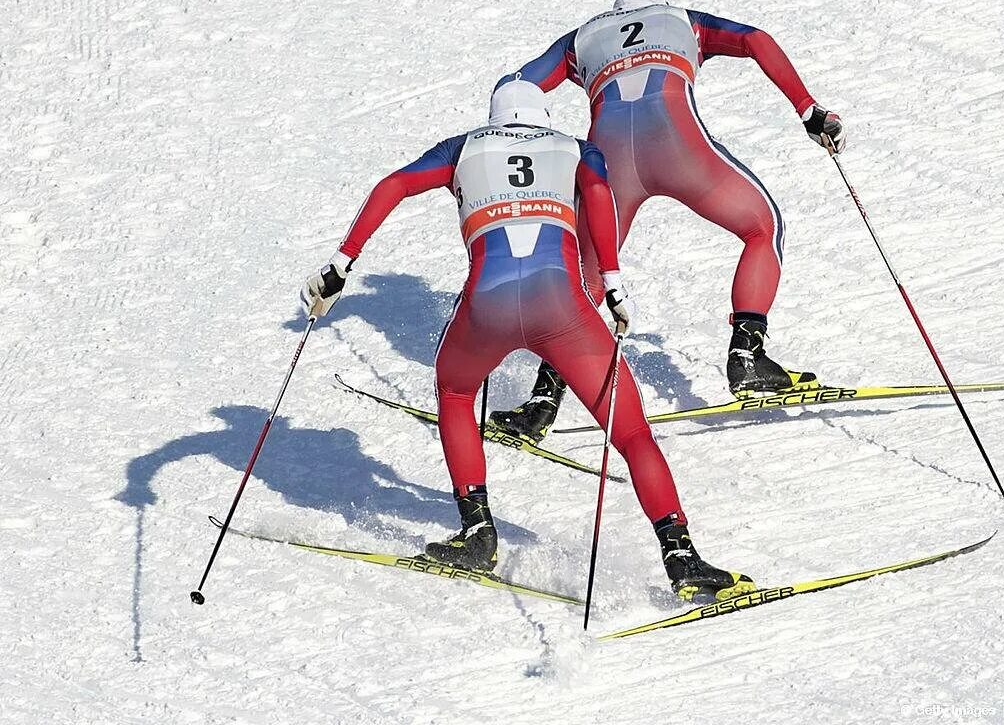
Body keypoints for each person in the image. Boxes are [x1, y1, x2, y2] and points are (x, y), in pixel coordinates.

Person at [301, 80, 755, 603]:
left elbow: (393, 185)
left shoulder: (464, 147)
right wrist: (612, 281)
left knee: (455, 393)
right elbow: (602, 198)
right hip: (564, 309)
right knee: (631, 434)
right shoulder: (575, 149)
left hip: (486, 307)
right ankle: (682, 557)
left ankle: (477, 531)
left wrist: (341, 264)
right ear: (541, 115)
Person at [489, 0, 846, 443]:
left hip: (610, 163)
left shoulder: (582, 38)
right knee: (762, 226)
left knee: (587, 282)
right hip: (679, 148)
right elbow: (755, 39)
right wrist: (808, 111)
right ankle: (747, 354)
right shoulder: (682, 20)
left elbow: (516, 85)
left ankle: (540, 404)